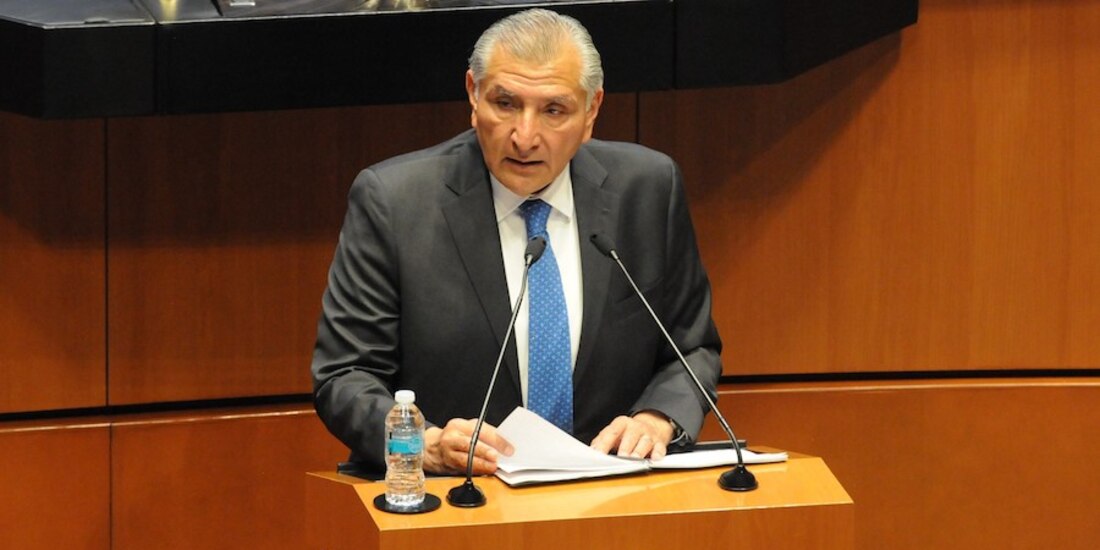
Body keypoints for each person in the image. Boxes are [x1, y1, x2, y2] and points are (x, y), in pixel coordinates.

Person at [311, 8, 722, 475]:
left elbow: (692, 349)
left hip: (613, 497)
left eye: (553, 110)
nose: (524, 137)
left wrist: (658, 417)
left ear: (591, 111)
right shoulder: (395, 202)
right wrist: (422, 444)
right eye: (505, 104)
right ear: (473, 94)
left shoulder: (647, 190)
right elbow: (345, 376)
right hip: (460, 502)